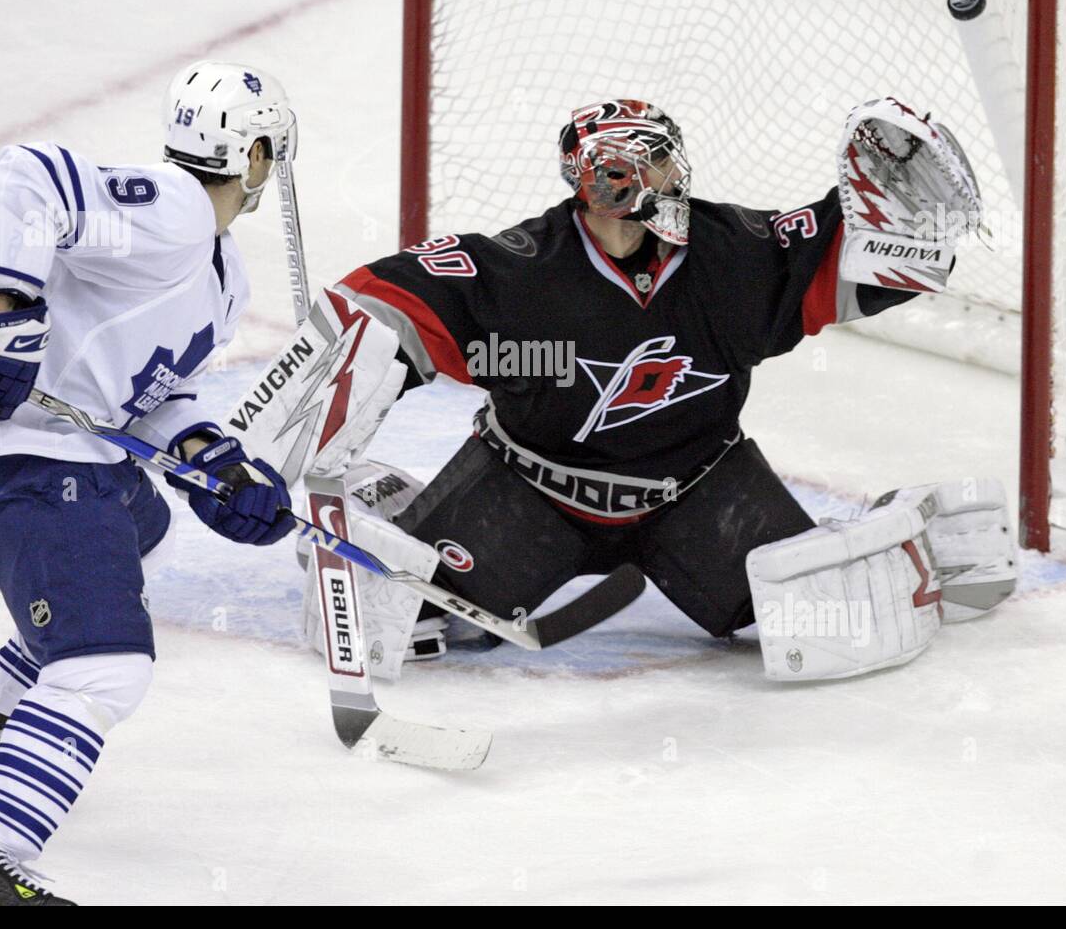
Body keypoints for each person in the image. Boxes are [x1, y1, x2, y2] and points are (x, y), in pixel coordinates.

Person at [269, 97, 1011, 681]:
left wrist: (901, 226)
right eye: (652, 164)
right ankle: (388, 501)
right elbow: (381, 303)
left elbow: (854, 262)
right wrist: (319, 409)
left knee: (832, 621)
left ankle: (907, 532)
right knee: (391, 617)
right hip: (528, 492)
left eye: (667, 161)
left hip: (699, 491)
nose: (670, 177)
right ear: (608, 179)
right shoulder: (522, 274)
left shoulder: (732, 258)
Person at [0, 60, 299, 906]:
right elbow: (24, 180)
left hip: (73, 449)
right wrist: (10, 312)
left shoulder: (223, 272)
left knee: (146, 534)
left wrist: (217, 460)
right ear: (258, 154)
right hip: (19, 447)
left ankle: (1, 720)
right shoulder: (172, 211)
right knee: (107, 666)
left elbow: (160, 395)